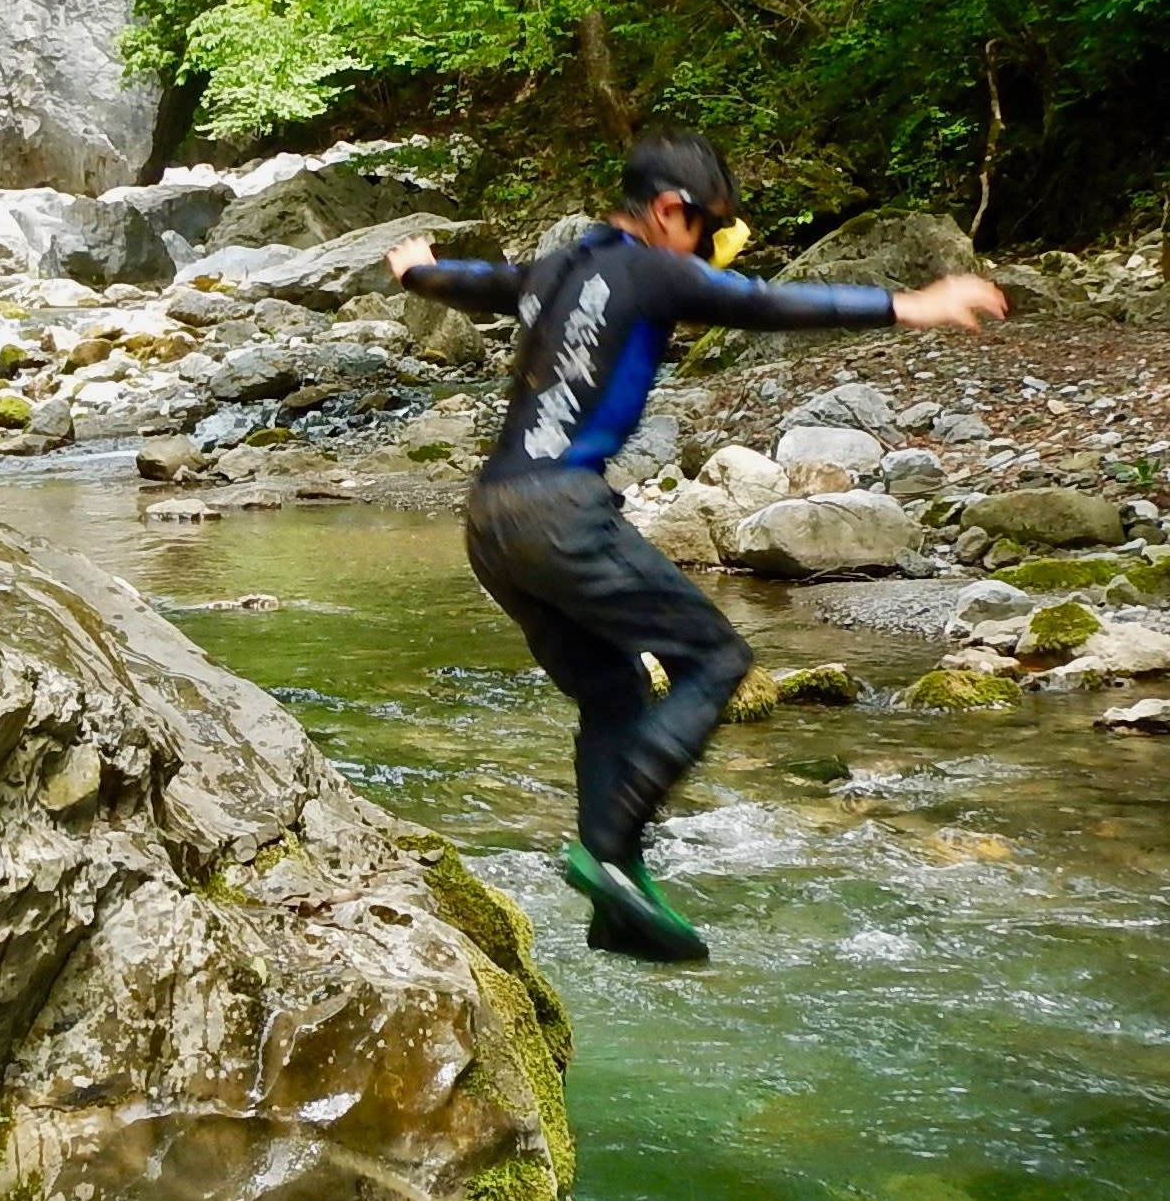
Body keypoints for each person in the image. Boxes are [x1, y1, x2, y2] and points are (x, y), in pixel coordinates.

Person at [389, 127, 1005, 963]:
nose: (713, 254)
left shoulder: (558, 268)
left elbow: (472, 283)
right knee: (714, 659)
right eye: (713, 235)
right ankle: (603, 850)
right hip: (560, 511)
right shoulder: (649, 266)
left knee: (612, 695)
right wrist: (906, 304)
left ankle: (619, 893)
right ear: (672, 212)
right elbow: (761, 303)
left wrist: (417, 271)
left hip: (491, 520)